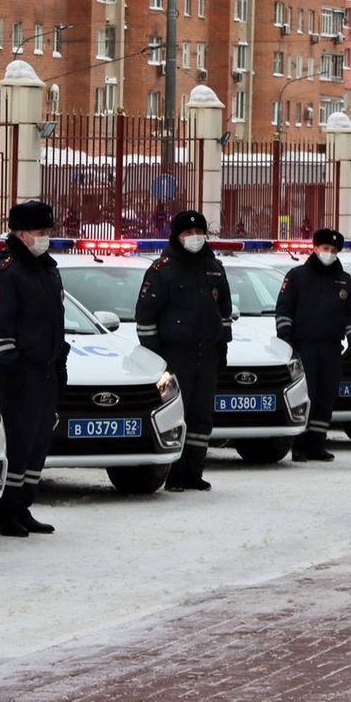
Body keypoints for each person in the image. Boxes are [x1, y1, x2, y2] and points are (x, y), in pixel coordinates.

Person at [0, 200, 69, 537]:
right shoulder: (6, 270)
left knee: (37, 443)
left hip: (46, 370)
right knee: (17, 444)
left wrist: (59, 364)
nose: (45, 238)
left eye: (48, 231)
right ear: (20, 233)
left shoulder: (46, 268)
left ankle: (23, 506)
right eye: (39, 232)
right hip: (19, 373)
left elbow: (54, 323)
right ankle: (5, 513)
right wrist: (12, 370)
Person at [135, 210, 232, 491]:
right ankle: (174, 474)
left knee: (202, 416)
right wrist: (156, 357)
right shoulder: (162, 270)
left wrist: (222, 345)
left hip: (208, 354)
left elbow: (224, 311)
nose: (194, 238)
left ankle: (194, 472)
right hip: (175, 355)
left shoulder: (214, 267)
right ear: (177, 237)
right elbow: (146, 317)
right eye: (188, 234)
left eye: (198, 232)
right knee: (178, 414)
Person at [275, 229, 351, 461]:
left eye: (333, 251)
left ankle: (317, 444)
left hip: (332, 346)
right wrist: (286, 338)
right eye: (325, 249)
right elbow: (284, 308)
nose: (329, 254)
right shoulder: (297, 276)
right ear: (315, 248)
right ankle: (300, 445)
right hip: (304, 346)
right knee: (308, 394)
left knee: (326, 394)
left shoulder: (344, 280)